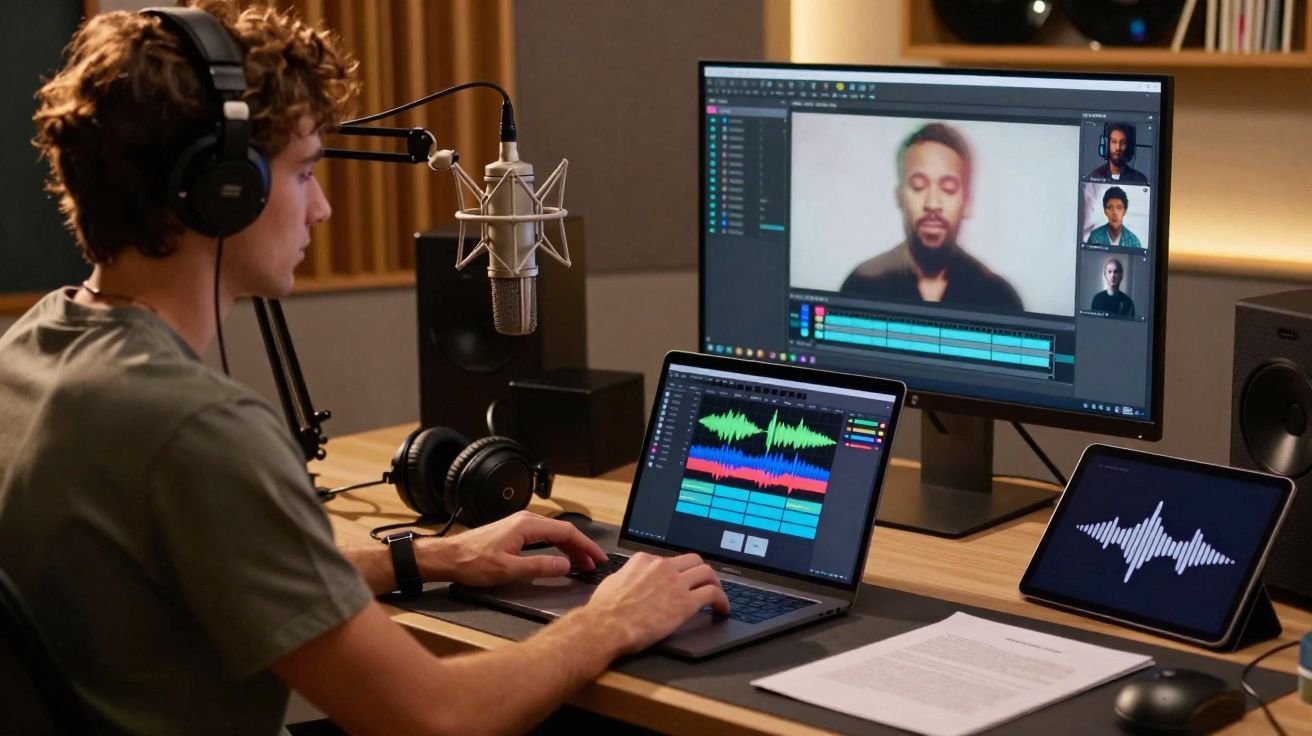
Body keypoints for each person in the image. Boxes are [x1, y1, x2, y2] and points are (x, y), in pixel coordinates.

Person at [0, 3, 728, 734]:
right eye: (305, 172)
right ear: (227, 189)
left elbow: (198, 582)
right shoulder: (196, 428)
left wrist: (428, 559)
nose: (321, 207)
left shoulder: (30, 354)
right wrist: (610, 621)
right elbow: (434, 718)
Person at [840, 122, 1023, 312]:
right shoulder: (861, 286)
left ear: (967, 203)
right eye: (918, 186)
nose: (933, 204)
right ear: (899, 197)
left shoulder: (998, 297)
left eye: (948, 189)